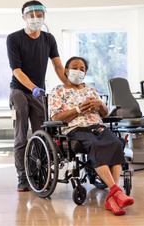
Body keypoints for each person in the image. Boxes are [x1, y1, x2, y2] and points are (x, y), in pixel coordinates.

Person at [48, 56, 134, 215]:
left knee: (116, 143)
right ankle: (116, 192)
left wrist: (100, 105)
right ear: (66, 71)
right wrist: (78, 110)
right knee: (95, 145)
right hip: (75, 128)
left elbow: (106, 114)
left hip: (97, 126)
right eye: (75, 67)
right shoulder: (58, 91)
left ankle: (113, 196)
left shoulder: (91, 90)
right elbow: (55, 118)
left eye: (82, 69)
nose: (79, 71)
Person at [7, 0, 66, 192]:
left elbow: (58, 66)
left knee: (42, 134)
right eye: (31, 15)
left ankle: (39, 173)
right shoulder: (14, 38)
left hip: (38, 92)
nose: (35, 19)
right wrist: (33, 87)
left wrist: (71, 86)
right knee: (21, 136)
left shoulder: (49, 39)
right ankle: (23, 177)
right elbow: (17, 70)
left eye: (39, 15)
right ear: (24, 17)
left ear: (43, 16)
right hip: (20, 90)